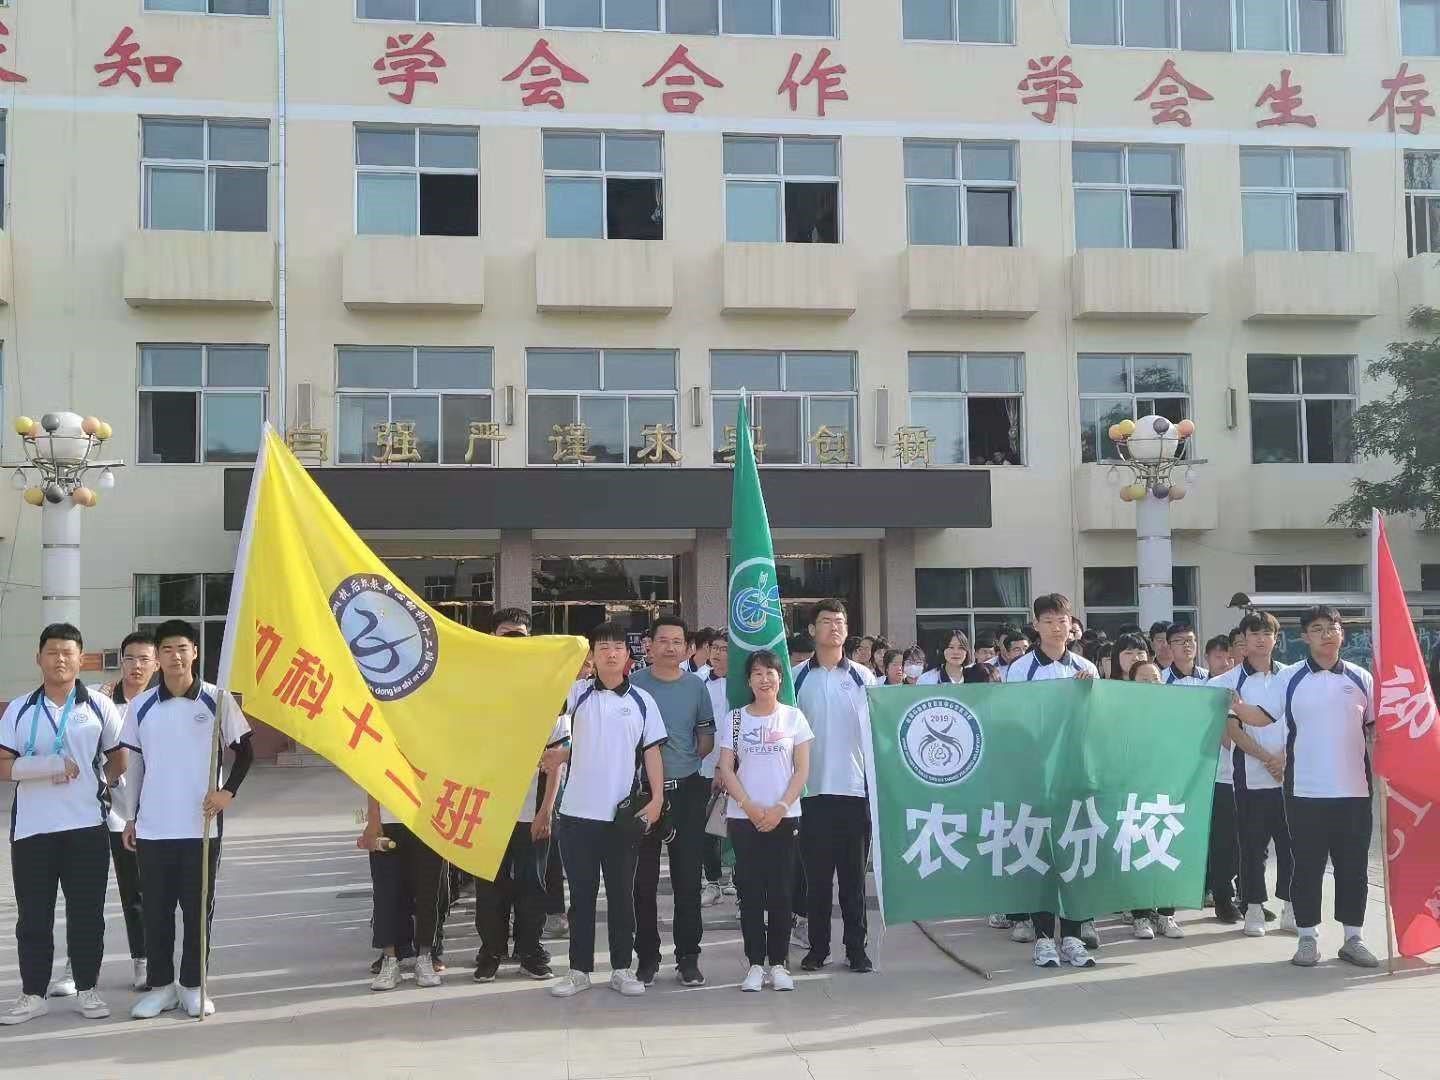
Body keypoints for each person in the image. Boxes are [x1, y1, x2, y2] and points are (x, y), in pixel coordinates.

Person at [1232, 606, 1379, 969]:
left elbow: (1375, 729)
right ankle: (1308, 938)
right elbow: (1262, 716)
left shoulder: (1362, 677)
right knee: (1307, 867)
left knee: (1353, 868)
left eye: (1332, 628)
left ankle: (1353, 938)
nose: (1326, 634)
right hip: (1306, 792)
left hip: (1355, 791)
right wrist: (1232, 707)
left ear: (1342, 633)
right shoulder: (1291, 677)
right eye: (1317, 629)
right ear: (1304, 637)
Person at [124, 619, 253, 1020]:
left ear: (194, 652)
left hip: (201, 827)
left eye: (182, 648)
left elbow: (245, 751)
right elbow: (136, 766)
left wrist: (227, 792)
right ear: (158, 657)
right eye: (167, 650)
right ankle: (161, 988)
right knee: (157, 911)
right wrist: (130, 817)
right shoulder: (142, 706)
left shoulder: (217, 700)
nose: (175, 656)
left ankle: (193, 986)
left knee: (197, 911)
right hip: (154, 828)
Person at [0, 624, 128, 1026]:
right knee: (33, 917)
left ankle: (87, 989)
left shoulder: (98, 706)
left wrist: (99, 786)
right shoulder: (19, 709)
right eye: (52, 652)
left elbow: (119, 758)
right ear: (38, 658)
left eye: (68, 652)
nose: (60, 659)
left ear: (81, 659)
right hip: (32, 830)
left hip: (86, 826)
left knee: (87, 914)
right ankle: (32, 994)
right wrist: (48, 766)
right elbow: (4, 765)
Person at [545, 622, 667, 998]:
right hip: (577, 815)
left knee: (621, 896)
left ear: (628, 655)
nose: (610, 653)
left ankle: (621, 968)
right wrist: (561, 753)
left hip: (621, 818)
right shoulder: (577, 693)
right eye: (602, 648)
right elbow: (551, 712)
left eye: (617, 647)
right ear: (592, 657)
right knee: (581, 898)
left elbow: (652, 753)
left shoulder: (643, 701)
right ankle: (578, 970)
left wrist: (657, 799)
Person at [1004, 595, 1099, 970]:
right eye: (1049, 621)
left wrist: (1086, 694)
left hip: (1074, 774)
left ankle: (1073, 936)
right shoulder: (1021, 669)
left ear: (1072, 624)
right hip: (1036, 775)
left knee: (1073, 854)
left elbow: (1096, 720)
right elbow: (1014, 720)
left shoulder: (1086, 668)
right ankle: (1044, 938)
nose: (1057, 627)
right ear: (1036, 626)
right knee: (1040, 857)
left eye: (1063, 620)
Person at [473, 627, 570, 984]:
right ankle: (491, 952)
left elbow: (555, 764)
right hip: (488, 811)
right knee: (489, 885)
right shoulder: (479, 703)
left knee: (533, 884)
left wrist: (546, 811)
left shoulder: (550, 701)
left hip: (533, 812)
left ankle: (530, 951)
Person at [717, 649, 814, 993]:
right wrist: (749, 806)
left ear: (780, 678)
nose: (764, 679)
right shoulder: (736, 719)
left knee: (782, 892)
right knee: (751, 892)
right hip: (744, 819)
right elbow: (726, 767)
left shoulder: (793, 718)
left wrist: (780, 808)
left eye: (770, 673)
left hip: (785, 818)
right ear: (748, 681)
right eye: (757, 673)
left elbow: (802, 769)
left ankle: (779, 964)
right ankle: (755, 964)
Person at [629, 617, 716, 987]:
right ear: (649, 645)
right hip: (642, 793)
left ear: (687, 648)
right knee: (642, 882)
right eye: (662, 640)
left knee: (688, 879)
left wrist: (685, 763)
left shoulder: (696, 687)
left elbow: (705, 737)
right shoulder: (633, 684)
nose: (669, 647)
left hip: (687, 791)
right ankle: (647, 957)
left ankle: (688, 957)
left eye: (677, 641)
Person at [793, 599, 877, 974]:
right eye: (826, 621)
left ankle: (856, 949)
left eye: (840, 621)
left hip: (854, 791)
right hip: (809, 793)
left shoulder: (864, 677)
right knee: (816, 880)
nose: (834, 627)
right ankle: (818, 948)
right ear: (813, 630)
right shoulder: (796, 677)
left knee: (853, 881)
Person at [1212, 610, 1293, 939]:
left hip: (1289, 778)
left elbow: (1300, 723)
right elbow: (1229, 732)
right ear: (1243, 640)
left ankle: (1291, 906)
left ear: (1276, 638)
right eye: (1254, 633)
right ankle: (1254, 907)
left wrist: (1283, 759)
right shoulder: (1225, 683)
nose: (1260, 639)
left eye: (1266, 633)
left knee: (1291, 846)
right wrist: (1266, 758)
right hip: (1248, 778)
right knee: (1252, 846)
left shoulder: (1290, 677)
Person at [103, 631, 160, 992]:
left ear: (156, 665)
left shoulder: (160, 704)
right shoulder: (102, 701)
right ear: (121, 661)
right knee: (85, 892)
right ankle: (76, 966)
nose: (136, 666)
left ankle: (144, 959)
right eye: (130, 659)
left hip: (147, 815)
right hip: (106, 812)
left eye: (144, 659)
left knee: (138, 891)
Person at [700, 632, 735, 907]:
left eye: (724, 648)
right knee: (707, 828)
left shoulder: (743, 684)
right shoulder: (698, 681)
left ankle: (738, 881)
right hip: (704, 767)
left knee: (737, 827)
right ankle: (712, 882)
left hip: (738, 768)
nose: (718, 653)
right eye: (714, 648)